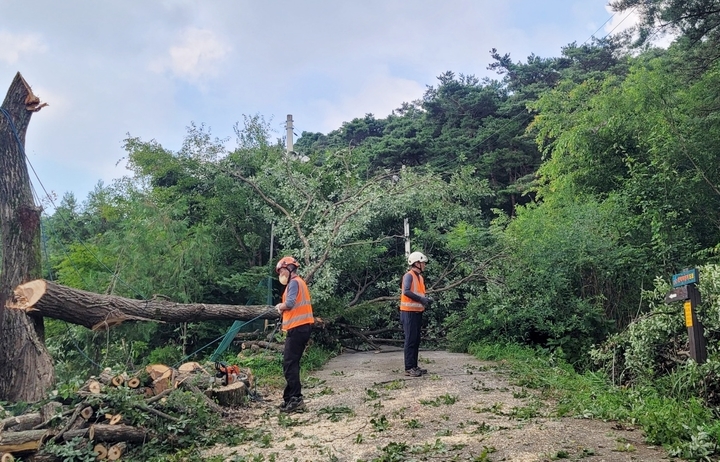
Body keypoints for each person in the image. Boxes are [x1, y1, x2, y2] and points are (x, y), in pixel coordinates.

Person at [274, 256, 314, 413]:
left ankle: (296, 399)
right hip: (301, 328)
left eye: (282, 271)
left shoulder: (294, 283)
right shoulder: (299, 282)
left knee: (289, 364)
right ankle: (289, 397)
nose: (281, 274)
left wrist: (280, 307)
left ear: (290, 269)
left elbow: (290, 303)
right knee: (291, 363)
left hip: (298, 328)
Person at [400, 251, 433, 377]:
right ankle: (409, 368)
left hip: (417, 312)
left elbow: (419, 294)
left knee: (416, 339)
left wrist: (425, 299)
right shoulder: (409, 276)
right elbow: (406, 292)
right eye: (423, 262)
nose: (424, 264)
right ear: (416, 263)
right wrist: (421, 300)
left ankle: (414, 365)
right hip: (408, 313)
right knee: (410, 340)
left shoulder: (420, 277)